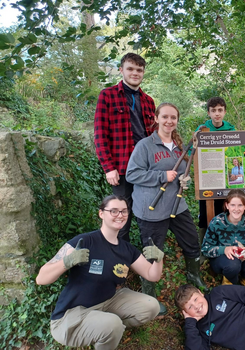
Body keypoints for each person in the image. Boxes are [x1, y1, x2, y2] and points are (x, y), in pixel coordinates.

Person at [36, 195, 163, 349]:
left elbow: (152, 275)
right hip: (72, 315)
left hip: (108, 301)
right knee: (112, 324)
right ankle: (108, 329)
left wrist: (158, 259)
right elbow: (41, 278)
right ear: (101, 213)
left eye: (124, 211)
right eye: (114, 211)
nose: (120, 215)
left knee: (151, 306)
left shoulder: (127, 249)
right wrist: (67, 262)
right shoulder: (84, 242)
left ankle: (108, 330)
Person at [126, 102, 207, 311]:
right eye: (165, 117)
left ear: (177, 120)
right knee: (153, 253)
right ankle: (149, 298)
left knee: (191, 242)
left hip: (177, 205)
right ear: (156, 118)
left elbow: (181, 172)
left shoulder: (179, 146)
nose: (169, 121)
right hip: (151, 210)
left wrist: (183, 179)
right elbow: (132, 174)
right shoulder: (145, 145)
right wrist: (162, 176)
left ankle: (193, 275)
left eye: (173, 117)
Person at [94, 53, 156, 242]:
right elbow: (100, 134)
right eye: (130, 69)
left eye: (139, 70)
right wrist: (108, 167)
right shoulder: (108, 96)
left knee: (147, 210)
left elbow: (153, 136)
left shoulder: (149, 101)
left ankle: (148, 255)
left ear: (143, 72)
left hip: (146, 168)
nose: (135, 73)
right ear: (121, 70)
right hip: (121, 168)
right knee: (121, 215)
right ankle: (120, 258)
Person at [196, 97, 236, 256]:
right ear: (209, 113)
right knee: (205, 215)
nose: (217, 114)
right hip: (207, 179)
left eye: (220, 110)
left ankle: (223, 247)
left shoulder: (231, 130)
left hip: (226, 181)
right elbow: (194, 152)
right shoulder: (202, 129)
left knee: (224, 212)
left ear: (225, 112)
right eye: (213, 111)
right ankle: (203, 249)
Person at [201, 189, 245, 290]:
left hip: (244, 259)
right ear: (227, 205)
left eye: (240, 205)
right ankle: (229, 280)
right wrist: (224, 249)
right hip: (223, 260)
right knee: (233, 265)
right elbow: (205, 249)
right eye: (233, 205)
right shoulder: (217, 222)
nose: (236, 209)